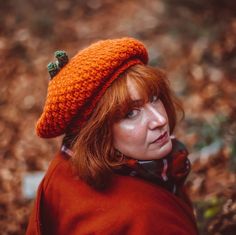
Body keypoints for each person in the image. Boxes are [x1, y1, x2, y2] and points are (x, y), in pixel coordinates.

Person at [26, 37, 199, 235]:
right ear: (97, 133)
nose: (159, 119)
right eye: (131, 113)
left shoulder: (63, 168)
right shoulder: (147, 219)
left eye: (154, 98)